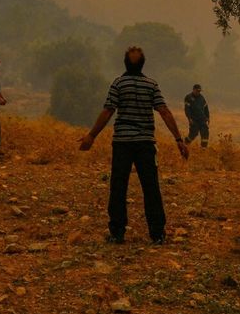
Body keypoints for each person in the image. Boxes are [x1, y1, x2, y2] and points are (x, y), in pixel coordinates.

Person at [79, 46, 188, 245]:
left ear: (125, 63)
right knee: (151, 187)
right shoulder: (151, 85)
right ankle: (157, 233)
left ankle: (117, 232)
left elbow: (108, 111)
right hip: (146, 143)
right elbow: (164, 111)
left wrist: (91, 136)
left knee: (118, 187)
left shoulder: (119, 84)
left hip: (122, 143)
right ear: (143, 64)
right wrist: (179, 139)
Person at [183, 84, 210, 148]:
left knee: (205, 133)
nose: (198, 92)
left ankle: (203, 149)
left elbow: (206, 108)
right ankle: (185, 144)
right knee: (193, 133)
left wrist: (208, 117)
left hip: (202, 119)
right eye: (197, 91)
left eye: (199, 91)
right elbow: (187, 109)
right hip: (194, 119)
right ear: (193, 90)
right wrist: (189, 118)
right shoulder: (188, 97)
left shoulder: (201, 97)